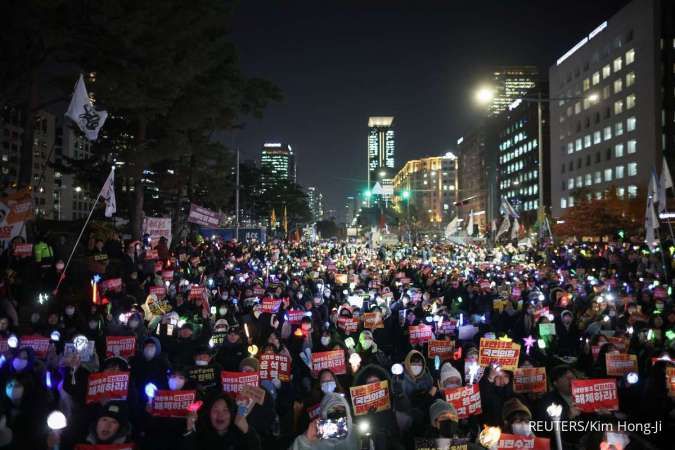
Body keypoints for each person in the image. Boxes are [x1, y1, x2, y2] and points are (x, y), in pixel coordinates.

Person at [181, 394, 260, 450]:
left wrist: (247, 430)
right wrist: (190, 429)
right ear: (209, 414)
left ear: (231, 413)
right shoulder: (200, 437)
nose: (220, 415)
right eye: (215, 410)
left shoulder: (240, 436)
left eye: (225, 410)